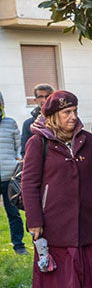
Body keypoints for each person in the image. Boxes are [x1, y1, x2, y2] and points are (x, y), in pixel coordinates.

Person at [22, 91, 92, 288]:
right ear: (53, 116)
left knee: (89, 260)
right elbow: (29, 184)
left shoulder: (87, 139)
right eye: (66, 112)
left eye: (74, 111)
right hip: (55, 217)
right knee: (67, 264)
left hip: (86, 214)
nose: (72, 117)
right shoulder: (38, 142)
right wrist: (35, 221)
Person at [0, 92, 27, 255]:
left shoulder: (10, 123)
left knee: (13, 213)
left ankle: (19, 246)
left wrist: (17, 162)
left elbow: (19, 146)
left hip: (9, 177)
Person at [21, 84, 54, 157]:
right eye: (40, 96)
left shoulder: (64, 119)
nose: (44, 100)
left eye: (47, 96)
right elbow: (25, 152)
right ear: (35, 100)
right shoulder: (28, 124)